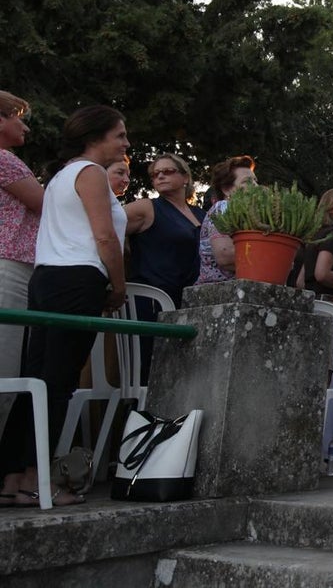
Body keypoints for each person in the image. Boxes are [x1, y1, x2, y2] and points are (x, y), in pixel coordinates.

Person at [0, 105, 130, 506]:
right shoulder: (89, 173)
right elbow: (105, 237)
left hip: (47, 277)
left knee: (35, 379)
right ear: (95, 138)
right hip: (77, 278)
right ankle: (41, 479)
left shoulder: (60, 177)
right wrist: (119, 285)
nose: (126, 143)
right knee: (57, 383)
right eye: (119, 135)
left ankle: (14, 479)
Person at [123, 153, 205, 382]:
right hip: (152, 299)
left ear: (185, 177)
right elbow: (105, 226)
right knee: (150, 368)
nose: (159, 176)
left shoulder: (202, 215)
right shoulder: (147, 208)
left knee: (183, 370)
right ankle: (140, 416)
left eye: (167, 171)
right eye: (154, 174)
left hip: (189, 301)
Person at [0, 91, 42, 436]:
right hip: (8, 267)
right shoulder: (5, 159)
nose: (24, 125)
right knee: (4, 373)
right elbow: (46, 205)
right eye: (17, 116)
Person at [289, 187, 333, 304]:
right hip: (329, 303)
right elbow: (322, 274)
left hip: (310, 301)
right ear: (330, 206)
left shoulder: (313, 235)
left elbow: (300, 281)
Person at [195, 155, 256, 285]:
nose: (255, 186)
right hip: (220, 290)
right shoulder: (223, 208)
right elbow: (225, 256)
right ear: (227, 189)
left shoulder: (252, 216)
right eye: (247, 181)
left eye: (256, 181)